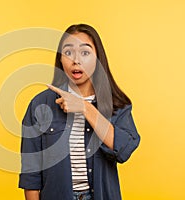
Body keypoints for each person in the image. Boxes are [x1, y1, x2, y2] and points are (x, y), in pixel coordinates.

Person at [19, 24, 140, 200]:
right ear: (60, 59)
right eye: (68, 52)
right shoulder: (40, 104)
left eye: (85, 52)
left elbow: (124, 149)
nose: (76, 60)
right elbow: (31, 174)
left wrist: (85, 107)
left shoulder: (116, 104)